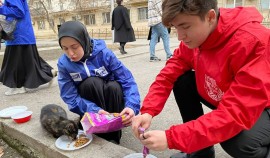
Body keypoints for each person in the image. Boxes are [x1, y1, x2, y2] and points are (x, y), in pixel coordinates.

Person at [132, 0, 270, 158]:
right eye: (176, 28)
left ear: (210, 16)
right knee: (181, 79)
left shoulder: (253, 41)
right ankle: (200, 151)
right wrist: (148, 111)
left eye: (185, 27)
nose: (180, 37)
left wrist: (173, 138)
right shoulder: (198, 37)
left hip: (262, 105)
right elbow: (168, 74)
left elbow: (236, 113)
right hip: (227, 96)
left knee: (237, 141)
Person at [57, 21, 140, 144]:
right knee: (90, 83)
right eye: (65, 48)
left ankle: (113, 135)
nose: (70, 53)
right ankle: (94, 131)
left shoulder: (104, 54)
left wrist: (131, 106)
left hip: (111, 100)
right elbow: (70, 96)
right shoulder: (64, 64)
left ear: (84, 40)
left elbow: (127, 80)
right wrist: (94, 110)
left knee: (114, 86)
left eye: (74, 47)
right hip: (89, 106)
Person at [0, 0, 57, 96]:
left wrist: (1, 8)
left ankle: (19, 87)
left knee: (15, 62)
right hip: (22, 35)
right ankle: (48, 72)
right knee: (28, 60)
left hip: (19, 35)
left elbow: (19, 12)